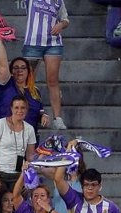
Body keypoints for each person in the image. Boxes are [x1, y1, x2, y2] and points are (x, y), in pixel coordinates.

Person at [22, 0, 69, 130]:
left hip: (53, 43)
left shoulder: (58, 1)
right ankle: (28, 115)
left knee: (53, 80)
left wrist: (61, 25)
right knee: (28, 81)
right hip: (32, 43)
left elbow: (65, 19)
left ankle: (57, 118)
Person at [0, 38, 50, 131]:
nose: (19, 70)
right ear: (11, 71)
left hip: (29, 137)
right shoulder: (7, 84)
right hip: (6, 134)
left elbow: (40, 113)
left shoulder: (35, 91)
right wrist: (1, 42)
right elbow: (2, 66)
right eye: (16, 68)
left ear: (28, 71)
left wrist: (44, 116)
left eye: (23, 68)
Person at [0, 96, 38, 192]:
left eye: (23, 108)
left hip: (18, 174)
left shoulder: (30, 129)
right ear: (11, 109)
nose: (20, 111)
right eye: (16, 108)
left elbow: (30, 156)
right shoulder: (0, 124)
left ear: (27, 109)